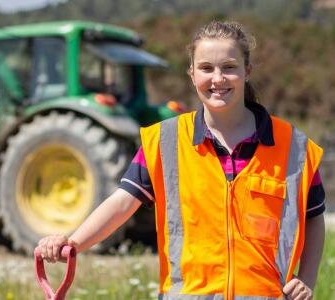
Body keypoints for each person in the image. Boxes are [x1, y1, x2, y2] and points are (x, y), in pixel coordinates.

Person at [36, 21, 325, 300]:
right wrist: (73, 243)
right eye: (206, 68)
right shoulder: (165, 142)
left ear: (247, 71)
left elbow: (313, 217)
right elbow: (122, 202)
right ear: (191, 74)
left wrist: (307, 279)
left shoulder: (294, 148)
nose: (217, 79)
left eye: (229, 68)